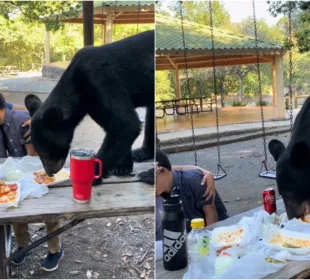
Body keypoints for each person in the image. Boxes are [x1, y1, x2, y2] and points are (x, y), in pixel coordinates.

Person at [0, 93, 63, 271]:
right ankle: (23, 245)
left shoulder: (22, 122)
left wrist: (37, 124)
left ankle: (55, 249)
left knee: (48, 210)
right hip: (17, 175)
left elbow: (35, 157)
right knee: (14, 205)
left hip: (41, 171)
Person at [155, 148, 228, 240]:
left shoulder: (194, 181)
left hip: (203, 238)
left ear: (161, 171)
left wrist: (210, 243)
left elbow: (211, 215)